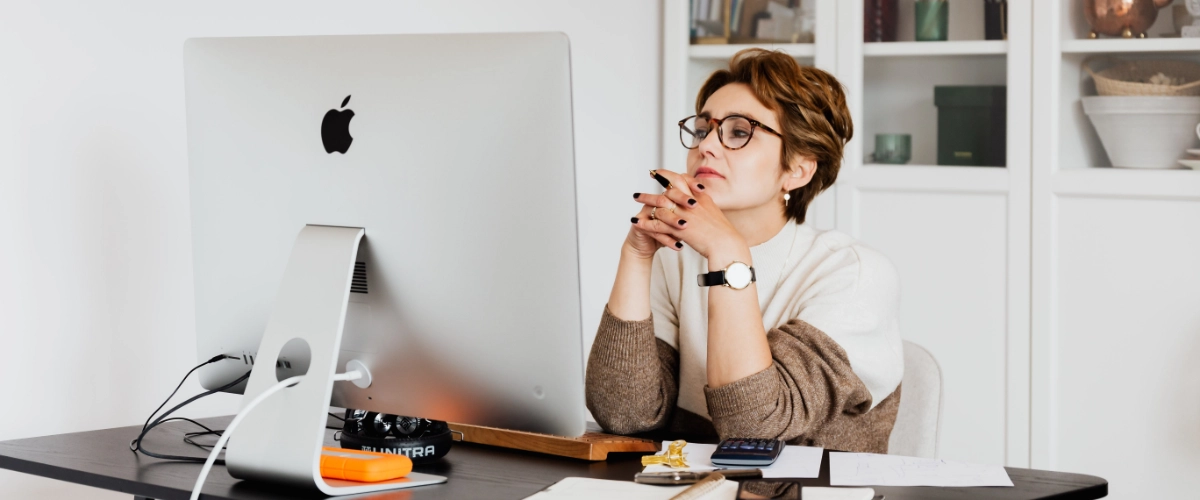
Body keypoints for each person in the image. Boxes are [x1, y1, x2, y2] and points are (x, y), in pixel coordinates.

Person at [585, 49, 904, 453]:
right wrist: (636, 253)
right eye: (703, 130)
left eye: (738, 132)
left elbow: (755, 429)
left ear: (798, 169)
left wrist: (728, 252)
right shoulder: (675, 257)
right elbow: (624, 415)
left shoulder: (855, 274)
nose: (707, 147)